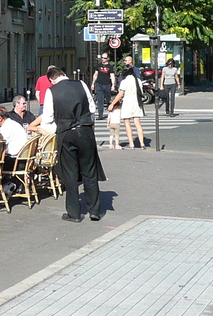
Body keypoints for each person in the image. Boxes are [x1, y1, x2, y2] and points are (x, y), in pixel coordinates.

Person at [41, 67, 106, 221]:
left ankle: (74, 213)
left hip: (66, 133)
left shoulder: (52, 91)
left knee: (70, 173)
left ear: (51, 79)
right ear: (65, 75)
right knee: (89, 171)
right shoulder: (81, 84)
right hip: (85, 131)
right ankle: (95, 211)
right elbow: (91, 108)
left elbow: (48, 118)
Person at [110, 64, 145, 149]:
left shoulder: (124, 82)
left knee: (127, 123)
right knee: (137, 123)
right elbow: (141, 92)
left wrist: (112, 104)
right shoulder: (138, 80)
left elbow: (120, 95)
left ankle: (131, 143)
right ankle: (142, 143)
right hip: (137, 103)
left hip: (127, 104)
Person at [90, 54, 116, 119]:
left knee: (108, 100)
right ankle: (100, 115)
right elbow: (95, 74)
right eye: (102, 58)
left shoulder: (110, 66)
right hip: (99, 84)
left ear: (108, 58)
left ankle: (111, 113)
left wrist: (113, 85)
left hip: (107, 84)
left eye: (104, 58)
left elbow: (112, 76)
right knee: (100, 100)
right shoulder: (98, 66)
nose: (103, 59)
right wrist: (93, 84)